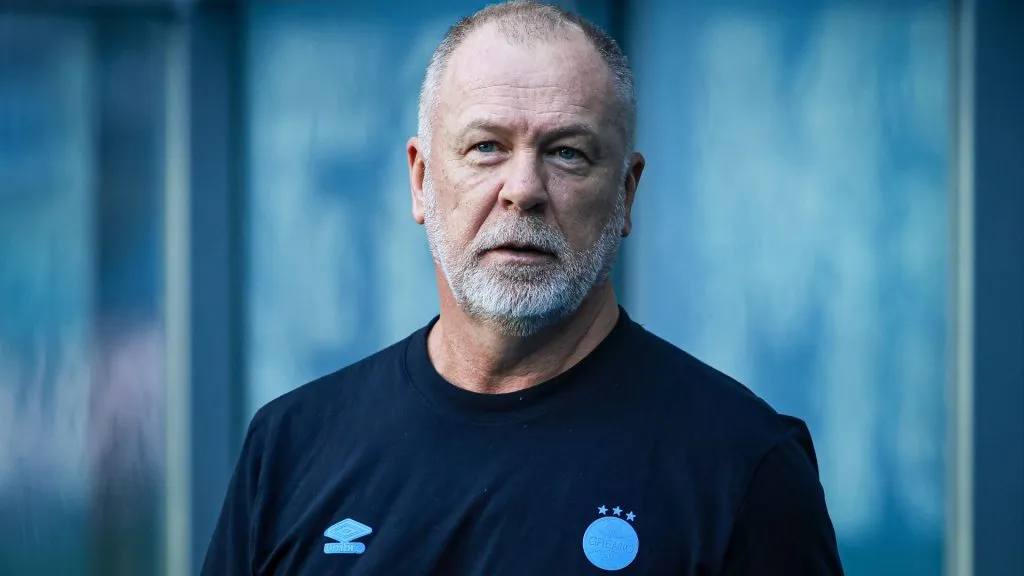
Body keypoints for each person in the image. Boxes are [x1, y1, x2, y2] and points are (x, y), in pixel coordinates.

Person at [203, 1, 844, 574]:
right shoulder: (290, 448)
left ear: (626, 193)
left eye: (567, 152)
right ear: (421, 179)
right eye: (486, 147)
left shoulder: (741, 468)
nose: (524, 190)